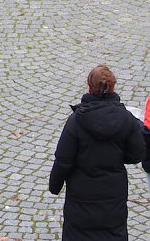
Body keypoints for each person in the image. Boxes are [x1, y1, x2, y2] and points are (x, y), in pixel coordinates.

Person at [49, 65, 145, 241]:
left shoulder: (76, 120)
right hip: (113, 195)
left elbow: (63, 159)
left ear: (89, 87)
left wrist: (55, 186)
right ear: (113, 87)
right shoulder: (126, 119)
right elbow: (137, 153)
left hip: (81, 195)